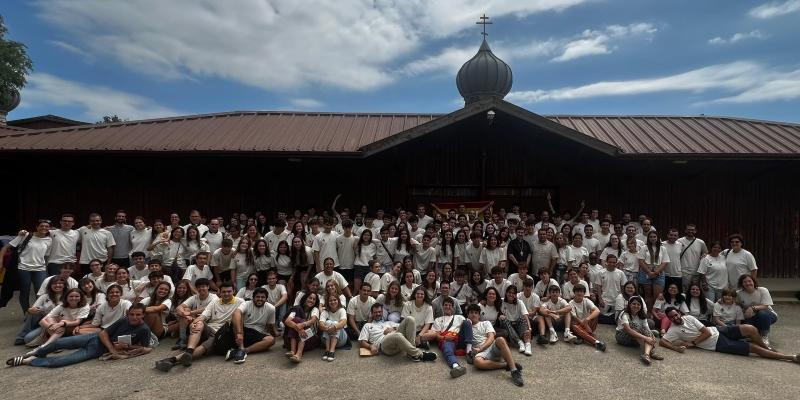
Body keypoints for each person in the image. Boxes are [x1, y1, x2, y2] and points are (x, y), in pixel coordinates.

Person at [6, 303, 152, 368]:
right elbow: (103, 333)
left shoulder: (144, 329)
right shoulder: (123, 320)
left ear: (143, 315)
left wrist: (127, 347)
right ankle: (37, 353)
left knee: (61, 362)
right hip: (95, 338)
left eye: (138, 315)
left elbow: (145, 348)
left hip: (96, 351)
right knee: (57, 344)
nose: (134, 317)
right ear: (128, 314)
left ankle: (29, 361)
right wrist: (113, 350)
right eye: (132, 314)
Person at [154, 282, 244, 371]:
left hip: (223, 333)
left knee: (205, 346)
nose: (226, 294)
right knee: (199, 323)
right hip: (210, 329)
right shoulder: (215, 302)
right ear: (220, 292)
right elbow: (203, 316)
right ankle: (189, 350)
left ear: (234, 291)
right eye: (224, 292)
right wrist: (194, 323)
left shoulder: (240, 302)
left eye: (229, 291)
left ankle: (173, 360)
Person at [660, 307, 799, 363]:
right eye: (671, 317)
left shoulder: (689, 318)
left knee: (750, 328)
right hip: (716, 344)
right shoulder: (674, 330)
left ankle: (768, 350)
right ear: (670, 319)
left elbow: (707, 331)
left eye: (676, 315)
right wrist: (676, 348)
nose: (675, 318)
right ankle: (791, 357)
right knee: (752, 348)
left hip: (718, 330)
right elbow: (662, 342)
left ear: (679, 313)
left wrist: (693, 343)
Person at [464, 303, 524, 386]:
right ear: (468, 315)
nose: (473, 315)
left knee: (500, 339)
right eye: (471, 313)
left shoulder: (485, 323)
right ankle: (505, 365)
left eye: (476, 313)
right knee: (477, 362)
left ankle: (514, 371)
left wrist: (481, 348)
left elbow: (491, 337)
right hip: (481, 354)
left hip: (492, 348)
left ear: (479, 315)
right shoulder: (466, 327)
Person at [0, 220, 53, 313]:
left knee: (41, 293)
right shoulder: (25, 235)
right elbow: (6, 247)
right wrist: (0, 261)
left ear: (49, 228)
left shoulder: (49, 240)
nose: (44, 228)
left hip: (40, 269)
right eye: (41, 226)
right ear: (37, 227)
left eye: (46, 226)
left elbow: (46, 256)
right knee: (25, 292)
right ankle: (27, 313)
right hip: (23, 268)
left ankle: (39, 313)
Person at [358, 303, 437, 362]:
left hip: (398, 340)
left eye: (379, 312)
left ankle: (411, 352)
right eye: (375, 312)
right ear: (372, 313)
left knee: (410, 319)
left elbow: (403, 326)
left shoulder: (388, 323)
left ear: (382, 312)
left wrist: (393, 329)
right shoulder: (368, 325)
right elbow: (362, 341)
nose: (378, 314)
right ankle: (420, 354)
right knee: (397, 335)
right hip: (384, 345)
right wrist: (371, 346)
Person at [420, 297, 471, 378]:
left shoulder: (459, 317)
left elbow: (467, 328)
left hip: (459, 339)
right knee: (447, 348)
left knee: (467, 322)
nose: (447, 307)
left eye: (450, 305)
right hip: (447, 340)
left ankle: (469, 351)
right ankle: (456, 366)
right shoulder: (438, 320)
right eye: (446, 305)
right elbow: (436, 335)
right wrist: (444, 338)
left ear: (453, 307)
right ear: (442, 307)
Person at [230, 287, 277, 364]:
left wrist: (274, 334)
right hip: (242, 331)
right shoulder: (246, 303)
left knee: (271, 340)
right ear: (253, 298)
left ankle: (244, 351)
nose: (260, 299)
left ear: (266, 299)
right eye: (257, 297)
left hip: (256, 333)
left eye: (263, 297)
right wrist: (239, 333)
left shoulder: (271, 308)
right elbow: (236, 313)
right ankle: (241, 347)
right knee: (238, 316)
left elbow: (270, 325)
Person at [15, 277, 65, 345]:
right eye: (54, 283)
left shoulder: (68, 296)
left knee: (28, 339)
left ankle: (48, 336)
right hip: (43, 321)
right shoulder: (44, 296)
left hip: (56, 323)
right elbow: (34, 309)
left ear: (64, 285)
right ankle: (21, 336)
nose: (57, 285)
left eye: (60, 283)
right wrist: (30, 310)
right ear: (50, 286)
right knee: (34, 312)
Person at [173, 278, 218, 350]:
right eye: (199, 287)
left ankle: (188, 341)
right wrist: (184, 314)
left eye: (203, 286)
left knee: (188, 311)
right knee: (185, 310)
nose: (201, 289)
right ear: (196, 288)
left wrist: (191, 312)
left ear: (208, 287)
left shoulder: (214, 297)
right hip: (194, 320)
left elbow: (208, 308)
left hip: (207, 322)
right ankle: (182, 339)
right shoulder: (194, 297)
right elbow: (179, 307)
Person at [615, 296, 662, 365]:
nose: (636, 306)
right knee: (637, 331)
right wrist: (646, 338)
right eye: (634, 304)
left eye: (638, 304)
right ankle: (650, 353)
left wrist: (651, 336)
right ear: (629, 304)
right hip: (622, 336)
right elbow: (628, 330)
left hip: (635, 340)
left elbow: (647, 328)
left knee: (647, 332)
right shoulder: (624, 314)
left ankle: (646, 354)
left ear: (641, 306)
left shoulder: (642, 315)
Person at [736, 274, 778, 347]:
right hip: (750, 315)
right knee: (745, 322)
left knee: (762, 314)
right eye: (745, 282)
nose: (748, 283)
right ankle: (755, 335)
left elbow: (765, 306)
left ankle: (765, 336)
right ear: (742, 284)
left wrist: (752, 308)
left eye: (749, 281)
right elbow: (734, 302)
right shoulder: (739, 293)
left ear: (753, 281)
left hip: (767, 314)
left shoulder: (762, 290)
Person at [283, 291, 321, 363]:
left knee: (301, 321)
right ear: (305, 298)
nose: (311, 300)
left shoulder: (315, 309)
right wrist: (299, 329)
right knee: (295, 320)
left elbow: (312, 320)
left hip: (310, 338)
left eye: (314, 299)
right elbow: (287, 321)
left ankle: (299, 354)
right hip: (297, 336)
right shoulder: (297, 308)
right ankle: (293, 351)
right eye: (310, 298)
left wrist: (303, 325)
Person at [568, 284, 606, 351]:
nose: (579, 293)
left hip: (587, 323)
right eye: (577, 291)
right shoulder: (571, 303)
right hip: (579, 324)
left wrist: (587, 319)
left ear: (584, 293)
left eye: (581, 291)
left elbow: (597, 311)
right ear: (574, 292)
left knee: (595, 315)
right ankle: (596, 342)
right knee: (573, 325)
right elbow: (575, 318)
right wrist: (586, 326)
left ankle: (582, 337)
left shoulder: (586, 300)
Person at [638, 230, 668, 309]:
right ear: (648, 238)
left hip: (659, 273)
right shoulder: (644, 247)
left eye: (654, 237)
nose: (652, 238)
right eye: (650, 237)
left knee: (658, 296)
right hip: (646, 272)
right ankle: (648, 313)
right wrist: (649, 272)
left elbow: (665, 262)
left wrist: (656, 272)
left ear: (658, 238)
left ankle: (656, 313)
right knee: (648, 295)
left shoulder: (662, 248)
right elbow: (640, 261)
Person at [500, 285, 532, 356]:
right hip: (507, 324)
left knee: (522, 319)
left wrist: (529, 328)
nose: (511, 295)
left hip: (517, 323)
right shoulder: (501, 301)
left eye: (513, 293)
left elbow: (525, 315)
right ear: (506, 293)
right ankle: (519, 342)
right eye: (509, 292)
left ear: (515, 295)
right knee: (503, 319)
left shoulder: (519, 302)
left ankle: (527, 344)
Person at [678, 224, 708, 292]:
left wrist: (704, 255)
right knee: (684, 291)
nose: (690, 231)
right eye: (688, 229)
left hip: (696, 272)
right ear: (685, 230)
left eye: (692, 230)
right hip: (684, 271)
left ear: (695, 231)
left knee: (695, 291)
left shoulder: (700, 242)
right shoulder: (679, 241)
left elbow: (705, 252)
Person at [319, 293, 348, 361]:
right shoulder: (325, 311)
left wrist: (334, 327)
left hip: (341, 340)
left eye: (335, 300)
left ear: (338, 300)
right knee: (328, 322)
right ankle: (327, 350)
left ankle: (332, 351)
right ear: (327, 302)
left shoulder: (342, 310)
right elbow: (320, 324)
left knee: (335, 323)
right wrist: (327, 328)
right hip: (327, 340)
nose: (333, 302)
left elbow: (343, 322)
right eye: (330, 300)